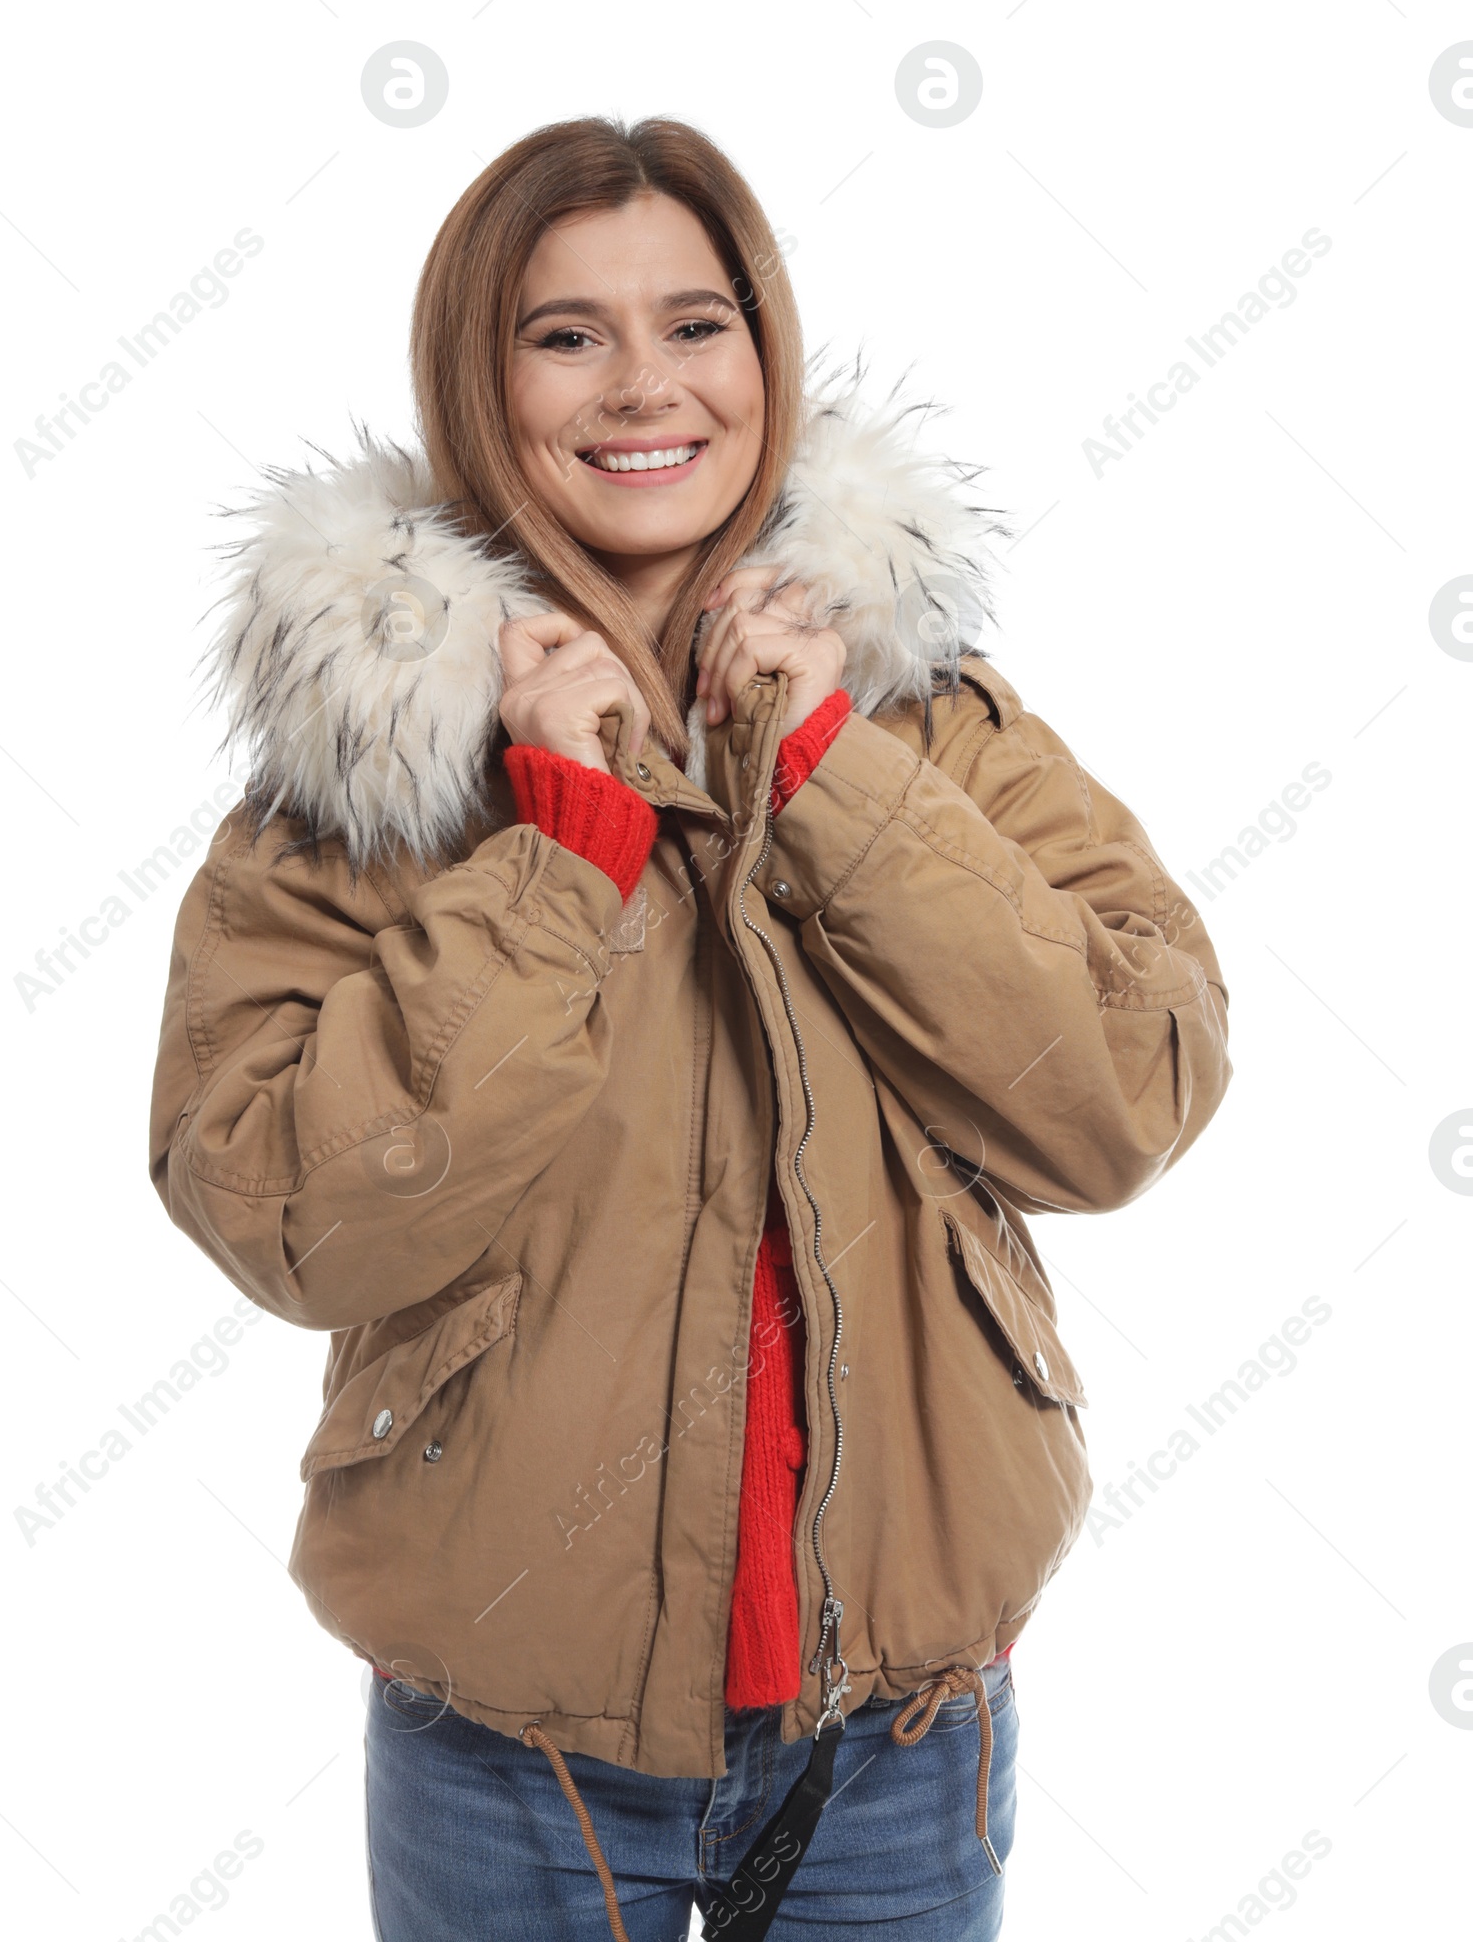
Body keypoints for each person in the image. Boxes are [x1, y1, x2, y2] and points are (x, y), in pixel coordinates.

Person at [149, 116, 1232, 1940]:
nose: (643, 383)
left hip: (896, 1743)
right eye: (564, 334)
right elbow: (287, 1216)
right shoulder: (364, 789)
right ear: (477, 380)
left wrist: (823, 771)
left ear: (767, 352)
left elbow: (1125, 1094)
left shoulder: (927, 720)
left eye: (697, 322)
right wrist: (562, 859)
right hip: (512, 1759)